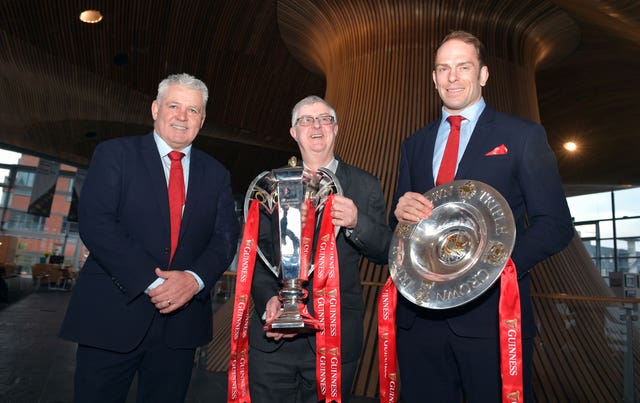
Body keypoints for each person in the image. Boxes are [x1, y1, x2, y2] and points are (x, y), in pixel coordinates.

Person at [391, 31, 574, 402]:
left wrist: (489, 269)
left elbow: (555, 225)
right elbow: (404, 230)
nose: (453, 77)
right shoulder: (414, 144)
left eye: (463, 67)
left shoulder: (522, 136)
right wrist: (400, 214)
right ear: (434, 78)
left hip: (492, 320)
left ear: (484, 74)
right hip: (419, 325)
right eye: (444, 68)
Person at [59, 73, 240, 402]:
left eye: (193, 110)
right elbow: (96, 222)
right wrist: (154, 283)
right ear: (155, 109)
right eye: (174, 105)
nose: (182, 116)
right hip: (111, 316)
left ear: (202, 119)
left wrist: (194, 280)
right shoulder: (115, 155)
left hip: (181, 326)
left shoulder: (217, 174)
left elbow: (225, 239)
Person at [248, 95, 392, 402]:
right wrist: (268, 301)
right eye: (306, 120)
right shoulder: (271, 184)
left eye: (324, 119)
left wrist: (357, 222)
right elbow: (256, 255)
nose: (316, 126)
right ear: (294, 132)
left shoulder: (365, 185)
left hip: (335, 337)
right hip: (273, 338)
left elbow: (386, 251)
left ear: (336, 129)